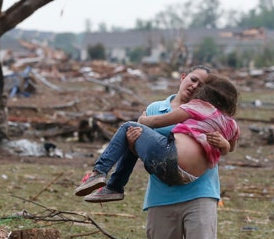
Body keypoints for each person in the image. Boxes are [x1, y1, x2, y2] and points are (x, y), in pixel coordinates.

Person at [94, 65, 229, 239]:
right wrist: (133, 145)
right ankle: (108, 182)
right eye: (193, 79)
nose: (195, 86)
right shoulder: (155, 109)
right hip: (162, 197)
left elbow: (228, 143)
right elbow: (149, 153)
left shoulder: (211, 112)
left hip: (200, 195)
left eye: (202, 84)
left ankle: (106, 179)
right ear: (183, 77)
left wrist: (224, 143)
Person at [74, 73, 239, 207]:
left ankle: (101, 174)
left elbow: (157, 122)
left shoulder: (199, 106)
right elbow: (230, 148)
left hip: (171, 160)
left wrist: (143, 119)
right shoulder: (232, 124)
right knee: (136, 135)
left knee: (129, 128)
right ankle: (113, 187)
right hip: (187, 177)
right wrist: (224, 144)